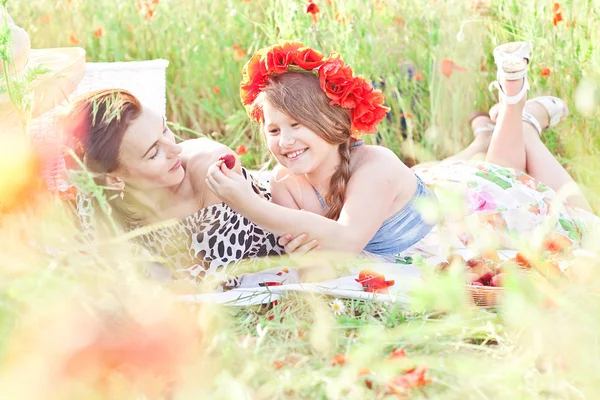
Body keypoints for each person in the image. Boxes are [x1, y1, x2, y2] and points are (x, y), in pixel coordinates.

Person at [206, 41, 595, 262]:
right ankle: (507, 118)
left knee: (581, 222)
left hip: (462, 220)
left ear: (334, 124)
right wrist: (306, 238)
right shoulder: (284, 183)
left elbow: (344, 240)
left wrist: (246, 202)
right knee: (498, 166)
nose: (284, 140)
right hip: (427, 197)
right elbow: (313, 254)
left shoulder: (374, 165)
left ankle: (522, 114)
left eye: (297, 125)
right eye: (273, 129)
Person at [61, 89, 312, 286]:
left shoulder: (210, 171)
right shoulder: (98, 197)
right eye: (154, 152)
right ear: (114, 180)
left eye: (165, 130)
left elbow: (220, 280)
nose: (176, 149)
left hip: (300, 222)